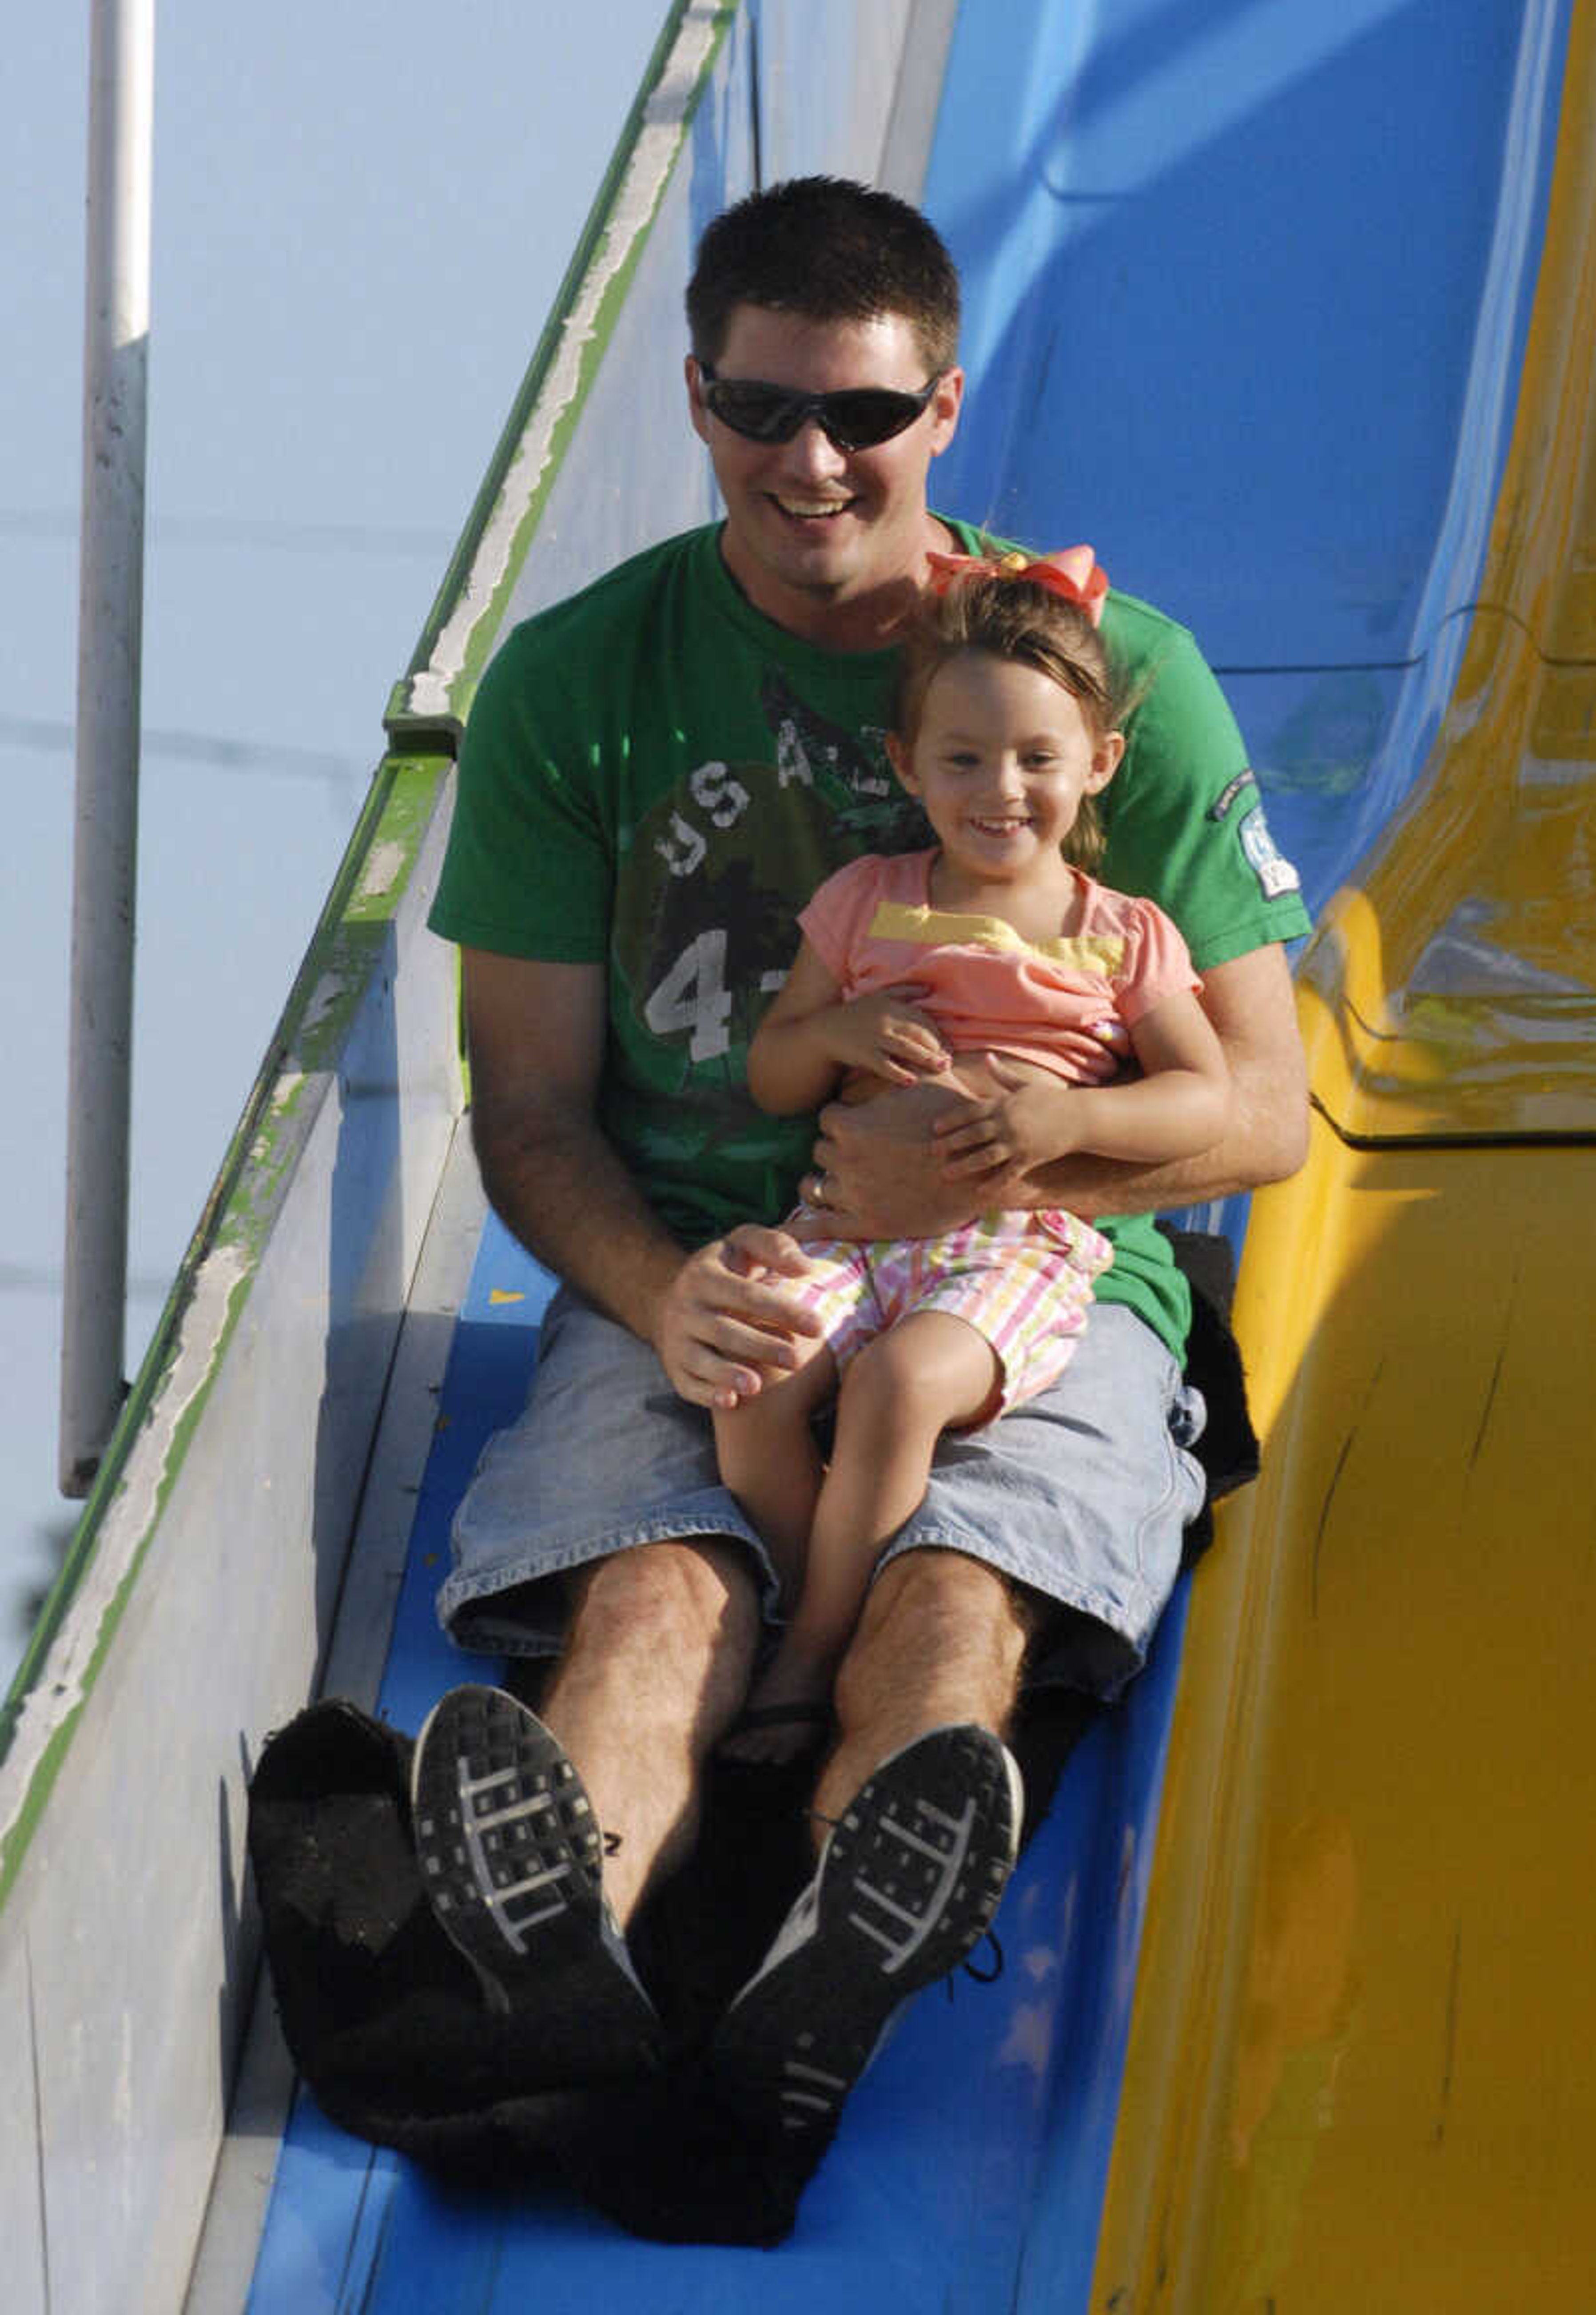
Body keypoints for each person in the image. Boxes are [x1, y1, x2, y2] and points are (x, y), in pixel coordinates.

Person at [404, 175, 1311, 2167]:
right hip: (717, 1258)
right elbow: (529, 1098)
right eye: (755, 409)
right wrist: (663, 1296)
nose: (808, 460)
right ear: (700, 401)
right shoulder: (578, 683)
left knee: (958, 1589)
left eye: (865, 418)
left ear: (947, 410)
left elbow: (1260, 1112)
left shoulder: (1097, 685)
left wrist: (1029, 1152)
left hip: (1046, 1289)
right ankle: (565, 1945)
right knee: (649, 1597)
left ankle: (842, 1926)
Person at [713, 554, 1231, 1765]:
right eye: (964, 757)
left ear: (1098, 763)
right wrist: (835, 1030)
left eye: (1037, 759)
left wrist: (1073, 1122)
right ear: (907, 764)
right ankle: (811, 1592)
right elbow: (774, 1071)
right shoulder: (865, 902)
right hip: (846, 1221)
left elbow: (1204, 1095)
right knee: (751, 1375)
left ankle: (808, 1653)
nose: (1002, 789)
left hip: (1020, 1240)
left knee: (901, 1384)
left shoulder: (1120, 936)